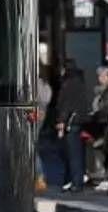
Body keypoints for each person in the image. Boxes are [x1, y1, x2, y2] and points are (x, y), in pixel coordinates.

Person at [54, 59, 90, 193]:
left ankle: (76, 183)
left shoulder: (68, 85)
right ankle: (76, 181)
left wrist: (61, 121)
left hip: (70, 122)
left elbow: (66, 106)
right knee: (76, 153)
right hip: (78, 121)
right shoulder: (80, 83)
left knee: (72, 154)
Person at [34, 67, 53, 193]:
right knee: (33, 146)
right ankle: (38, 178)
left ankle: (39, 176)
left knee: (30, 149)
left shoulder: (35, 84)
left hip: (33, 115)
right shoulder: (46, 85)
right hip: (41, 115)